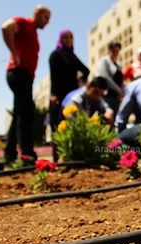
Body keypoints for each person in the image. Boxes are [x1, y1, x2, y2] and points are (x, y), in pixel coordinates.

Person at [1, 5, 51, 164]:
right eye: (46, 18)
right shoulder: (24, 23)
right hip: (19, 73)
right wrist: (14, 54)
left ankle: (10, 154)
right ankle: (27, 154)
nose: (47, 22)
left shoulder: (33, 32)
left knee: (19, 113)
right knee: (25, 113)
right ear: (37, 14)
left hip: (25, 76)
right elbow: (6, 27)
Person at [49, 29, 89, 161]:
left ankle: (72, 157)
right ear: (61, 39)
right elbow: (54, 77)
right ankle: (57, 159)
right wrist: (53, 94)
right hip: (59, 95)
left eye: (70, 37)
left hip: (71, 95)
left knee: (72, 124)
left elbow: (86, 70)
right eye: (65, 37)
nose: (68, 40)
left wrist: (79, 82)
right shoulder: (56, 55)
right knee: (58, 127)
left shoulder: (73, 56)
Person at [98, 41, 124, 116]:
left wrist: (122, 91)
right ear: (109, 50)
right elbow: (105, 78)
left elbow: (121, 80)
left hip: (116, 97)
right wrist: (119, 90)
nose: (115, 53)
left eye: (117, 51)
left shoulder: (118, 64)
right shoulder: (104, 61)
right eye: (113, 51)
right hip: (106, 96)